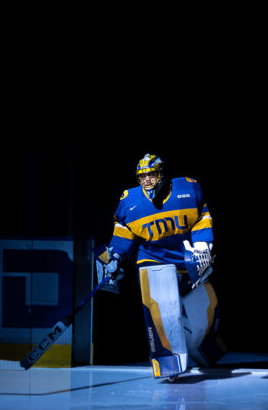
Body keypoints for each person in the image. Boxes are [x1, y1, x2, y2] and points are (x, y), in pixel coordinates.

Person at [96, 153, 226, 379]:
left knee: (205, 309)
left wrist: (203, 245)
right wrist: (115, 256)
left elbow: (202, 217)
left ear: (162, 174)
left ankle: (203, 349)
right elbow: (123, 230)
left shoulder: (188, 188)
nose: (147, 180)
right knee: (162, 308)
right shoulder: (129, 200)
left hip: (189, 259)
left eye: (152, 174)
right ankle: (168, 362)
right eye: (142, 176)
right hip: (153, 260)